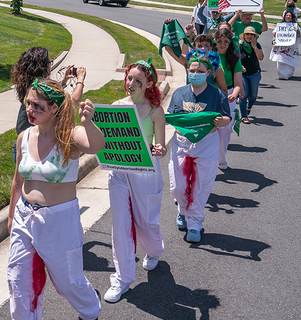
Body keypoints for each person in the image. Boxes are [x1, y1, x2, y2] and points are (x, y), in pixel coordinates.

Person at [7, 78, 104, 320]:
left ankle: (90, 309)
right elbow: (18, 181)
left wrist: (89, 123)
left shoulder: (70, 137)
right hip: (23, 215)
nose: (30, 110)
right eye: (28, 104)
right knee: (18, 279)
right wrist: (11, 217)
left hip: (59, 220)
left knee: (68, 280)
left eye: (38, 106)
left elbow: (96, 145)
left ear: (54, 108)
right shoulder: (24, 137)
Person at [103, 59, 167, 303]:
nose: (131, 83)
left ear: (149, 83)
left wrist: (159, 149)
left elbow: (160, 145)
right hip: (119, 172)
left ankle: (154, 251)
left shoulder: (155, 110)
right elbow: (105, 141)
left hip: (146, 173)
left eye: (138, 80)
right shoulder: (116, 106)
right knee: (120, 225)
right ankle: (122, 278)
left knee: (146, 223)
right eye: (129, 78)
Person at [168, 51, 231, 243]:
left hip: (206, 143)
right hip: (182, 143)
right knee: (177, 186)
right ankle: (182, 210)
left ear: (208, 73)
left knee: (199, 186)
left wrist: (222, 122)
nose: (194, 73)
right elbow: (172, 116)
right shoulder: (180, 93)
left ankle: (194, 224)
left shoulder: (217, 94)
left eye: (199, 70)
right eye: (191, 70)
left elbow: (227, 117)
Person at [213, 28, 243, 170]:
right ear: (215, 42)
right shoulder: (210, 57)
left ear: (230, 42)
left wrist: (234, 94)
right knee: (211, 127)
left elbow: (238, 83)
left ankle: (221, 158)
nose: (222, 44)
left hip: (228, 95)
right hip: (211, 94)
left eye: (226, 41)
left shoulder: (234, 59)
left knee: (224, 130)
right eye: (219, 41)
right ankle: (209, 158)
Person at [238, 26, 264, 124]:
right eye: (248, 34)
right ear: (244, 36)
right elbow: (235, 59)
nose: (250, 36)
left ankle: (249, 107)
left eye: (252, 34)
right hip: (242, 73)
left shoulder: (257, 45)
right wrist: (240, 67)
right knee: (243, 94)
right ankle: (244, 116)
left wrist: (254, 46)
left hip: (254, 73)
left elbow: (261, 58)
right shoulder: (239, 46)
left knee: (253, 95)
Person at [271, 11, 301, 80]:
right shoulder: (280, 25)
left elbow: (299, 36)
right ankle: (282, 75)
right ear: (284, 17)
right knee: (281, 60)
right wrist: (273, 40)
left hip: (291, 47)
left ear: (292, 17)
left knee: (289, 60)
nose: (288, 17)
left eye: (289, 16)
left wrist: (298, 31)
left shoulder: (294, 26)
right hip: (281, 46)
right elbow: (275, 34)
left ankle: (288, 74)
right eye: (287, 15)